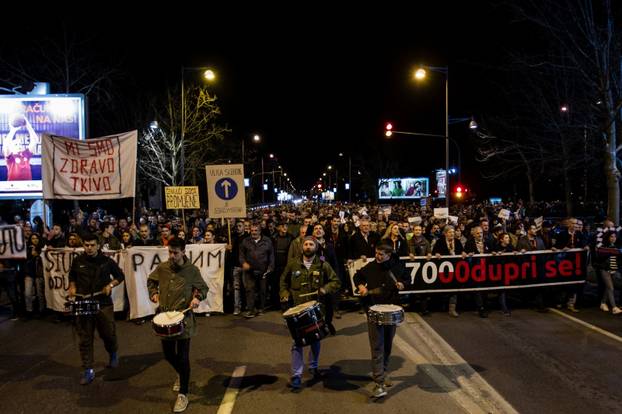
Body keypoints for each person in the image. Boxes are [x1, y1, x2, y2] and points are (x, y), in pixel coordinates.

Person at [148, 237, 209, 413]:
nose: (172, 256)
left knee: (183, 357)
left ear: (183, 251)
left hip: (184, 318)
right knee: (168, 354)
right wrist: (153, 294)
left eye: (175, 252)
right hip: (165, 316)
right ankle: (182, 374)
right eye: (170, 252)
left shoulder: (192, 270)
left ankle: (183, 394)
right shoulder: (162, 268)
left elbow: (203, 288)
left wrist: (197, 298)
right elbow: (151, 281)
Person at [280, 236, 340, 391]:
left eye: (311, 244)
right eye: (305, 244)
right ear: (301, 247)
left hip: (316, 309)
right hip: (297, 310)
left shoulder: (322, 264)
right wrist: (284, 293)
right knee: (297, 342)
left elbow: (335, 281)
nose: (308, 247)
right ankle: (296, 376)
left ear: (316, 247)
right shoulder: (293, 264)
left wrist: (325, 289)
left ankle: (313, 366)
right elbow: (283, 281)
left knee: (315, 339)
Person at [68, 233, 125, 385]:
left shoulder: (107, 261)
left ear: (98, 245)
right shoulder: (77, 261)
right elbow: (72, 276)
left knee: (108, 334)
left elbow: (120, 276)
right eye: (86, 245)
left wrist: (110, 285)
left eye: (92, 245)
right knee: (85, 338)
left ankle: (112, 352)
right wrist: (72, 286)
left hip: (103, 303)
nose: (89, 248)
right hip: (83, 303)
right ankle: (88, 370)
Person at [354, 242, 406, 399]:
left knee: (388, 345)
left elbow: (407, 278)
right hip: (374, 309)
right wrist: (361, 286)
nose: (377, 256)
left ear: (389, 255)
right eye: (376, 253)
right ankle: (379, 383)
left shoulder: (397, 266)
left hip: (391, 309)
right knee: (377, 346)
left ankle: (382, 373)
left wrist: (403, 284)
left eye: (381, 254)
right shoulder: (371, 266)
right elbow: (358, 276)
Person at [2, 113, 38, 181]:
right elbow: (6, 144)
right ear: (11, 148)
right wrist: (13, 130)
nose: (19, 145)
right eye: (16, 144)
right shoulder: (10, 158)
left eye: (20, 144)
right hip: (13, 187)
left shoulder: (26, 154)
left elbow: (35, 141)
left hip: (27, 185)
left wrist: (28, 125)